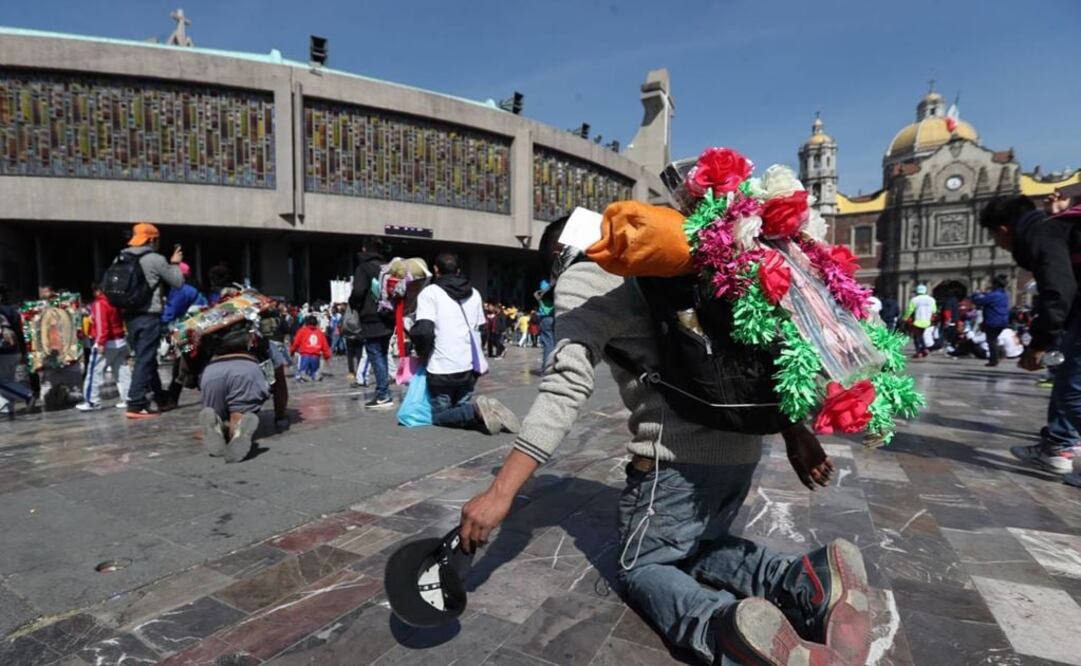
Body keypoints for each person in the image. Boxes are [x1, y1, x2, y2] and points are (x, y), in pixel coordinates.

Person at [459, 219, 868, 665]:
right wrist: (794, 430)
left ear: (559, 254)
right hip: (742, 449)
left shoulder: (584, 275)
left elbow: (565, 387)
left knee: (644, 566)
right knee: (696, 545)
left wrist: (500, 492)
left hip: (674, 459)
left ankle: (724, 629)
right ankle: (801, 579)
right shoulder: (665, 265)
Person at [979, 194, 1081, 479]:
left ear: (1003, 230)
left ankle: (1058, 446)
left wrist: (1038, 344)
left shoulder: (1042, 234)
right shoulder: (1056, 229)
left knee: (1072, 391)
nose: (998, 244)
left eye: (993, 236)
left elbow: (1059, 292)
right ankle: (1057, 446)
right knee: (1067, 381)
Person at [410, 253, 519, 434]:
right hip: (468, 366)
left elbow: (424, 331)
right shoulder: (474, 293)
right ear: (459, 270)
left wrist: (422, 353)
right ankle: (483, 413)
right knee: (458, 409)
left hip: (441, 366)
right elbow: (482, 329)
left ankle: (476, 410)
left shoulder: (430, 293)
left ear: (436, 270)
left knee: (440, 416)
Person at [115, 223, 184, 418]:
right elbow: (178, 282)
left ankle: (161, 399)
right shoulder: (155, 259)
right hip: (148, 315)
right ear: (152, 240)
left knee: (146, 357)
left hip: (128, 315)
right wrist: (175, 263)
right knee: (144, 359)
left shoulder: (121, 256)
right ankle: (136, 404)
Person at [197, 339, 270, 464]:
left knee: (216, 412)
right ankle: (237, 427)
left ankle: (217, 424)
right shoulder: (258, 333)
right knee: (239, 411)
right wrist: (281, 417)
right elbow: (279, 383)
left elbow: (188, 357)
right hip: (246, 367)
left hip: (212, 370)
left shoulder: (204, 330)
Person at [350, 244, 394, 408]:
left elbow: (358, 292)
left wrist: (353, 304)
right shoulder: (387, 267)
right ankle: (383, 391)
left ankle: (383, 394)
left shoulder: (364, 268)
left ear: (364, 249)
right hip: (388, 317)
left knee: (375, 354)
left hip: (371, 317)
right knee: (382, 353)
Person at [76, 283, 131, 412]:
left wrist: (100, 341)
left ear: (97, 291)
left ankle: (92, 401)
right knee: (123, 371)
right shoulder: (116, 301)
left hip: (107, 343)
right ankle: (128, 397)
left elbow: (102, 324)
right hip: (120, 340)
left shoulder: (100, 304)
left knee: (94, 373)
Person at [162, 263, 207, 404]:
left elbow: (170, 313)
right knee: (190, 360)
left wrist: (158, 324)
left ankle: (172, 397)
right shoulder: (195, 287)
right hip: (200, 330)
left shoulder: (181, 290)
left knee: (182, 361)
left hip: (188, 333)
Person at [0, 283, 31, 419]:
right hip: (15, 351)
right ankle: (8, 409)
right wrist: (24, 352)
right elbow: (20, 333)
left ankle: (26, 394)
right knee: (8, 380)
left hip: (3, 352)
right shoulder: (13, 311)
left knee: (4, 382)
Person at [971, 275, 1010, 367]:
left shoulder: (994, 295)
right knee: (994, 340)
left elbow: (979, 301)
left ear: (996, 284)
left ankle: (994, 360)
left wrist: (976, 294)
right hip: (1002, 321)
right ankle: (996, 357)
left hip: (993, 321)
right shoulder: (1004, 294)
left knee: (991, 341)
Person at [289, 315, 331, 382]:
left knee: (302, 375)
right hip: (316, 357)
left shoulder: (302, 331)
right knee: (314, 374)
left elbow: (296, 343)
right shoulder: (320, 333)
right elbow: (325, 346)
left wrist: (292, 351)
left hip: (305, 356)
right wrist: (327, 356)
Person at [904, 285, 937, 358]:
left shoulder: (914, 299)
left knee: (917, 337)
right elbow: (934, 310)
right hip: (927, 322)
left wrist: (905, 318)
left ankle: (919, 351)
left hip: (917, 322)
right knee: (923, 336)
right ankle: (924, 349)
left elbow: (910, 310)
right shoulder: (931, 299)